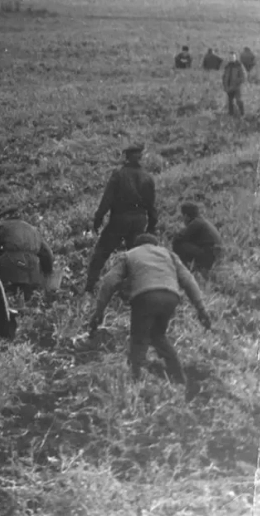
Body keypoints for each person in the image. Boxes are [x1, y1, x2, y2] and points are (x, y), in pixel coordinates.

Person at [84, 234, 212, 385]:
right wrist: (201, 309)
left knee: (138, 340)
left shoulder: (129, 255)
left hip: (145, 296)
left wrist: (98, 312)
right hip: (171, 297)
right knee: (158, 335)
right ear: (155, 245)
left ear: (137, 246)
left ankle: (134, 383)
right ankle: (179, 379)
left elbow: (109, 281)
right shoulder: (169, 254)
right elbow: (189, 280)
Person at [84, 144, 157, 294]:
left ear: (127, 157)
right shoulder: (148, 177)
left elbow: (107, 199)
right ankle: (138, 289)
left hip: (120, 219)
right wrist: (151, 226)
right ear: (140, 157)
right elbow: (151, 205)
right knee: (136, 256)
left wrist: (98, 218)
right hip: (139, 220)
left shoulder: (118, 174)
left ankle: (89, 287)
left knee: (101, 252)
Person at [0, 218, 54, 301]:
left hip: (12, 263)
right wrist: (48, 272)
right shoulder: (34, 230)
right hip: (32, 267)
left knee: (6, 289)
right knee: (26, 294)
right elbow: (47, 253)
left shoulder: (4, 226)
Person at [172, 202, 223, 275]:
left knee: (177, 244)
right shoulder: (201, 221)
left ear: (186, 216)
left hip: (209, 255)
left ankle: (184, 271)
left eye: (182, 216)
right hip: (215, 255)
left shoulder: (195, 223)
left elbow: (180, 238)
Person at [222, 51, 248, 116]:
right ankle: (231, 115)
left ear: (235, 57)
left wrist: (237, 81)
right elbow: (224, 76)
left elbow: (244, 76)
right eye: (230, 57)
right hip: (229, 87)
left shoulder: (239, 65)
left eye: (233, 57)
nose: (231, 58)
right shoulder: (227, 66)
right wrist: (225, 85)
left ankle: (242, 114)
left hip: (237, 87)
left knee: (239, 100)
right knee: (230, 102)